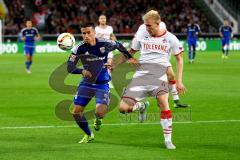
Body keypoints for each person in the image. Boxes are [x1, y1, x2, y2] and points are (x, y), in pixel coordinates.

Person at [118, 10, 186, 149]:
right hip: (141, 76)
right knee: (123, 108)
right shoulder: (142, 31)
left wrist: (179, 81)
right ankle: (142, 106)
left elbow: (179, 59)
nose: (147, 28)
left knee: (164, 104)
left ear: (158, 23)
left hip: (160, 76)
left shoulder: (171, 38)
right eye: (145, 25)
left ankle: (168, 140)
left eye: (149, 26)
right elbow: (131, 52)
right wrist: (115, 64)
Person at [67, 22, 137, 143]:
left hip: (102, 83)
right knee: (76, 112)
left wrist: (129, 57)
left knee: (100, 112)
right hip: (87, 83)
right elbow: (69, 67)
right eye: (84, 33)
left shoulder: (105, 43)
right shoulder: (79, 47)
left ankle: (98, 119)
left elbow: (119, 45)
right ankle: (89, 134)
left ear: (94, 32)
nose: (86, 35)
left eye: (88, 32)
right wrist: (81, 71)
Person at [135, 22, 189, 108]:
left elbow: (178, 56)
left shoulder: (166, 34)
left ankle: (175, 101)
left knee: (171, 76)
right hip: (153, 63)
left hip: (164, 61)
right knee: (168, 77)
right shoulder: (145, 32)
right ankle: (167, 100)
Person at [95, 14, 117, 88]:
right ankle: (98, 80)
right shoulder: (96, 29)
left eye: (104, 18)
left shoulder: (110, 28)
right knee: (100, 66)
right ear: (99, 20)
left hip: (108, 48)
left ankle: (109, 81)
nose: (103, 19)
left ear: (106, 19)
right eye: (101, 18)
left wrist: (115, 42)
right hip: (99, 50)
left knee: (109, 64)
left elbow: (112, 36)